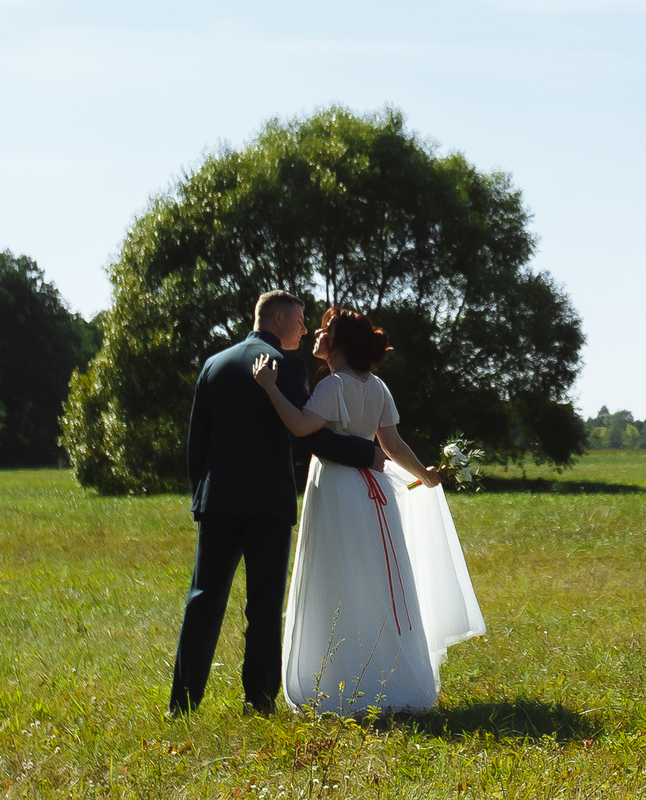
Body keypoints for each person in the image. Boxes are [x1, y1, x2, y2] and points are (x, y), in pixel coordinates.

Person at [252, 305, 485, 716]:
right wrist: (424, 474)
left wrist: (270, 387)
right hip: (376, 490)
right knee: (377, 576)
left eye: (325, 331)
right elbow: (393, 445)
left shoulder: (333, 386)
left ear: (338, 343)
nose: (317, 336)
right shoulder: (377, 387)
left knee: (336, 577)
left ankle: (337, 676)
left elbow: (301, 427)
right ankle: (386, 672)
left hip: (339, 487)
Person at [170, 291, 385, 715]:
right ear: (278, 317)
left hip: (218, 503)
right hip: (267, 505)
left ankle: (182, 703)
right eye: (301, 319)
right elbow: (308, 433)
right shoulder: (286, 367)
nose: (305, 329)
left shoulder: (215, 364)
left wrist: (201, 496)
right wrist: (368, 454)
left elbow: (198, 440)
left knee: (203, 599)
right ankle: (260, 703)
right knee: (264, 607)